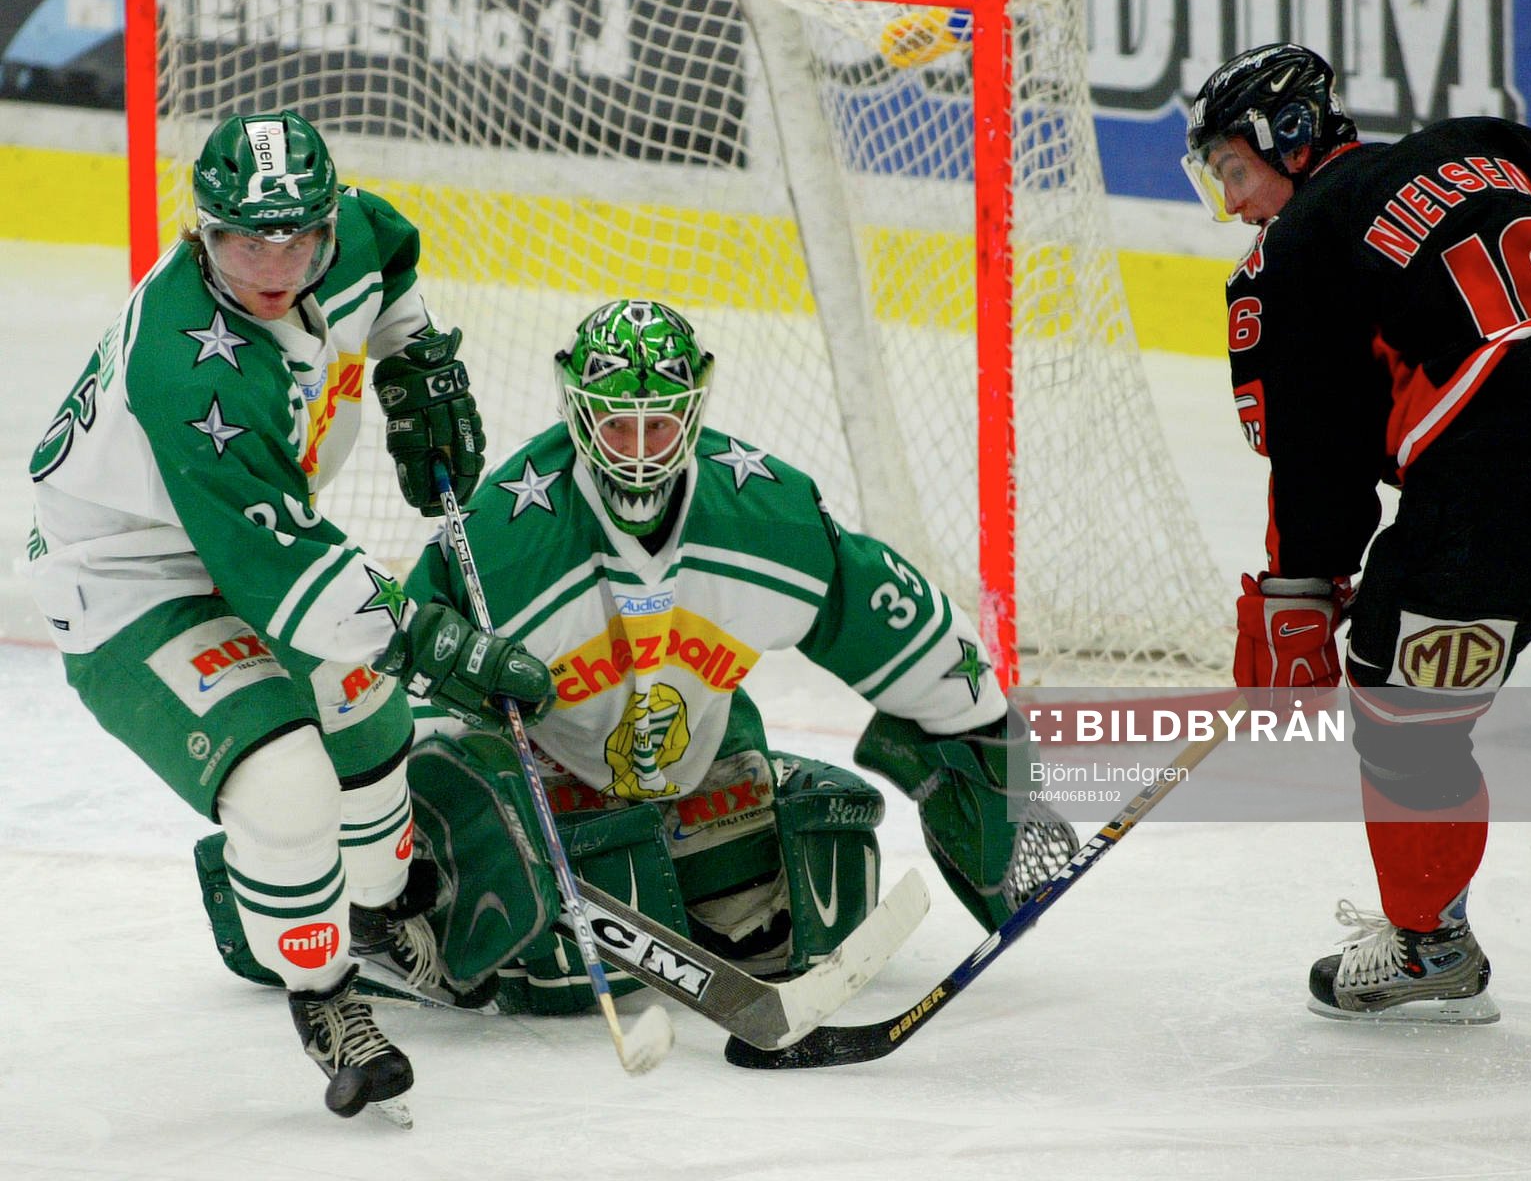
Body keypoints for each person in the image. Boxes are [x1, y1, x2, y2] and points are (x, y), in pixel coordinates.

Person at [25, 110, 553, 1120]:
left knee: (370, 721)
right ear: (201, 231)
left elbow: (390, 261)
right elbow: (291, 576)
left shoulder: (350, 232)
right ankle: (324, 995)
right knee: (286, 784)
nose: (272, 269)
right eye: (242, 245)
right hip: (132, 582)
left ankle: (382, 910)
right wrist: (432, 639)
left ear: (325, 224)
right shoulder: (193, 374)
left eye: (295, 242)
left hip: (251, 537)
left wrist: (411, 360)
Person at [378, 298, 1078, 1009]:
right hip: (550, 782)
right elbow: (397, 664)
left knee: (794, 917)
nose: (640, 451)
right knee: (561, 978)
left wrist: (979, 726)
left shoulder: (763, 516)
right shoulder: (501, 544)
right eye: (619, 425)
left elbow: (876, 610)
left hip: (697, 760)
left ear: (695, 409)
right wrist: (428, 823)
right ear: (578, 410)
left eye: (660, 424)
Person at [1182, 44, 1531, 1022]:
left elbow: (1313, 444)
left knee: (1403, 707)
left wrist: (1300, 587)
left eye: (1233, 171)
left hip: (1493, 485)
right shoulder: (1484, 144)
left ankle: (1428, 945)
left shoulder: (1291, 248)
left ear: (1288, 138)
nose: (1233, 204)